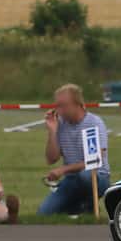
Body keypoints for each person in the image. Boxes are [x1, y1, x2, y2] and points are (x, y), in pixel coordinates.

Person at [40, 84, 110, 216]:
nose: (59, 110)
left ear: (77, 104)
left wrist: (63, 170)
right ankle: (77, 207)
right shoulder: (60, 124)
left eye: (63, 106)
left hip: (97, 176)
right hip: (71, 180)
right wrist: (52, 131)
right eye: (57, 106)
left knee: (84, 176)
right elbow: (51, 159)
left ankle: (87, 206)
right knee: (44, 213)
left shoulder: (94, 123)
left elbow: (95, 160)